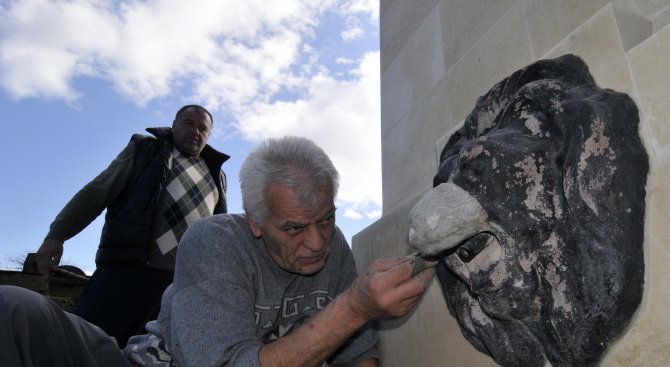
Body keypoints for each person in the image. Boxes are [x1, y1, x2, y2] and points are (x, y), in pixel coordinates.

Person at [123, 136, 435, 366]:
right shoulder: (213, 243)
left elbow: (359, 355)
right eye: (294, 228)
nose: (317, 243)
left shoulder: (334, 243)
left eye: (326, 218)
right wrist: (354, 308)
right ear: (255, 221)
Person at [34, 104, 229, 348]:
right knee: (84, 345)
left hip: (178, 287)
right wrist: (57, 234)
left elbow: (218, 232)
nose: (195, 131)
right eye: (189, 123)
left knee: (152, 356)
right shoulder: (147, 150)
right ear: (174, 124)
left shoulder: (216, 175)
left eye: (203, 128)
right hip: (128, 272)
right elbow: (97, 191)